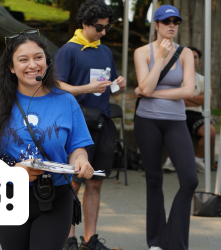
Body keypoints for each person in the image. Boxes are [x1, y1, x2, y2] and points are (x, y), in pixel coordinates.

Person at [0, 29, 95, 250]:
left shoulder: (66, 101)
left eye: (38, 57)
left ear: (46, 61)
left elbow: (77, 148)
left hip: (56, 196)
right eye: (23, 59)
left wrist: (81, 160)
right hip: (8, 196)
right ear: (11, 67)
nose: (32, 64)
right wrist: (12, 172)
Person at [55, 1, 126, 249]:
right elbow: (57, 86)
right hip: (77, 123)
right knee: (73, 182)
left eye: (106, 28)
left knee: (95, 182)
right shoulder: (69, 50)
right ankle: (67, 239)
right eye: (99, 27)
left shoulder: (104, 51)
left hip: (102, 121)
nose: (103, 32)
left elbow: (109, 90)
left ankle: (90, 240)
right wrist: (86, 88)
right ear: (84, 23)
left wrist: (118, 85)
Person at [133, 5, 198, 250]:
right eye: (166, 21)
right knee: (154, 180)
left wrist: (150, 91)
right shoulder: (142, 52)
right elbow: (145, 89)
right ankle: (156, 242)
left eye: (176, 21)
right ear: (156, 25)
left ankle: (175, 241)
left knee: (190, 180)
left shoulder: (186, 53)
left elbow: (188, 91)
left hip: (176, 121)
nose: (172, 25)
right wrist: (159, 59)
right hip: (147, 120)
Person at [162, 46, 216, 173]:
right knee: (165, 127)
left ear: (198, 60)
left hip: (196, 114)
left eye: (195, 57)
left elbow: (205, 100)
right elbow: (171, 98)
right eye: (189, 56)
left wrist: (184, 95)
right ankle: (170, 161)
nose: (192, 59)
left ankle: (197, 161)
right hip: (176, 111)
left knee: (211, 131)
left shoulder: (203, 79)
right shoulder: (174, 77)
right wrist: (194, 97)